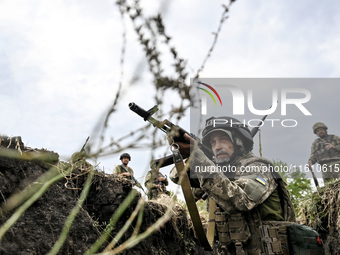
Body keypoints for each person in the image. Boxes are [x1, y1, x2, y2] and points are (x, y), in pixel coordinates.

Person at [170, 116, 296, 254]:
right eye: (212, 142)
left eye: (223, 139)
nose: (217, 146)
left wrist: (200, 159)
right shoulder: (219, 172)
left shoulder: (258, 167)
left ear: (238, 141)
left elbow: (241, 200)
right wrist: (192, 159)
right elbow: (178, 178)